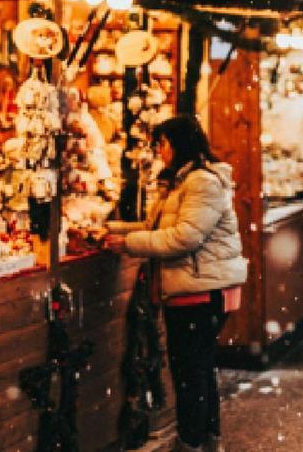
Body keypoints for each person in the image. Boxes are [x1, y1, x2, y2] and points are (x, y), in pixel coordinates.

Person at [104, 115, 247, 452]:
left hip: (200, 291)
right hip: (194, 289)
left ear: (180, 144)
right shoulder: (183, 183)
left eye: (164, 144)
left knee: (189, 373)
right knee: (198, 369)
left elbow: (185, 238)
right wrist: (117, 231)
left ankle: (190, 442)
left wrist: (129, 244)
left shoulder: (202, 183)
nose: (161, 151)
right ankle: (207, 440)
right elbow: (155, 225)